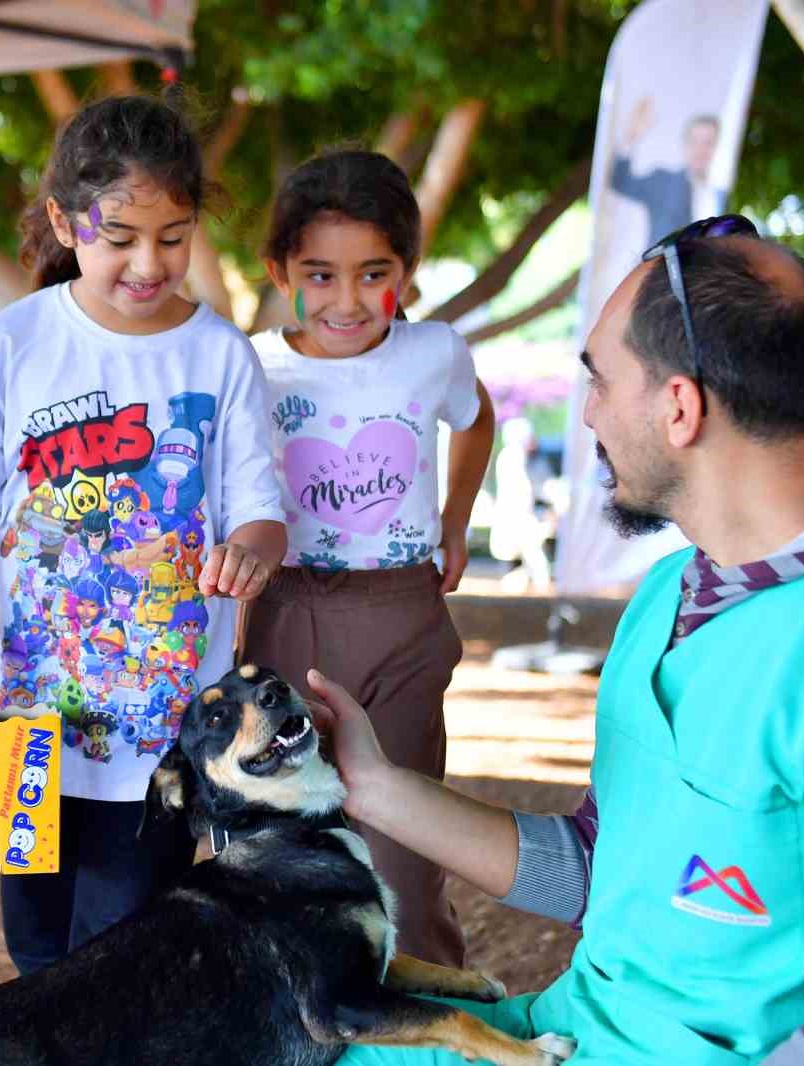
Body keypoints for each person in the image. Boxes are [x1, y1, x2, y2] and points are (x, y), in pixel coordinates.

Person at [309, 219, 804, 1065]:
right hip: (570, 1031)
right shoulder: (672, 591)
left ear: (679, 407)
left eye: (599, 380)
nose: (586, 412)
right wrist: (372, 788)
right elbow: (604, 877)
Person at [0, 95, 286, 975]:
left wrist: (250, 555)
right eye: (118, 237)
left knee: (120, 950)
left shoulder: (221, 355)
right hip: (27, 724)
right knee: (37, 946)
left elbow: (260, 513)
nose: (148, 263)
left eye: (173, 235)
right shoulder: (13, 343)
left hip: (165, 733)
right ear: (63, 222)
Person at [243, 149, 495, 967]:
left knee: (400, 854)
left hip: (402, 618)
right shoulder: (248, 364)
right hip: (280, 615)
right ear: (280, 270)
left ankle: (432, 1024)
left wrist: (455, 521)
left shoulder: (435, 353)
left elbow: (477, 419)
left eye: (373, 273)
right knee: (281, 844)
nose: (347, 302)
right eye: (319, 275)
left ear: (408, 272)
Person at [610, 98, 727, 247]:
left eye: (708, 143)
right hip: (662, 268)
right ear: (685, 144)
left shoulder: (719, 195)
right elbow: (620, 182)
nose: (700, 150)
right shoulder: (662, 181)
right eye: (694, 141)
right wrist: (631, 136)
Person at [490, 416, 553, 593]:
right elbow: (521, 491)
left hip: (522, 516)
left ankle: (539, 588)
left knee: (533, 558)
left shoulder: (521, 457)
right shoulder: (512, 457)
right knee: (525, 558)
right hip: (516, 516)